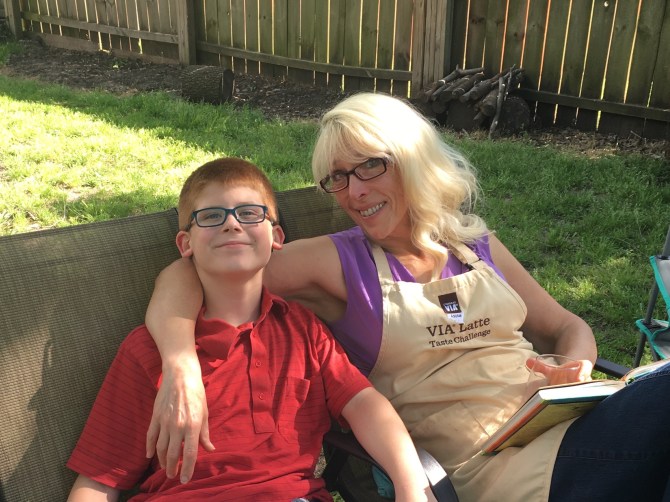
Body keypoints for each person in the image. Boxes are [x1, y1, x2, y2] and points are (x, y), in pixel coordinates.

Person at [144, 94, 670, 501]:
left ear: (414, 159)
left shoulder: (473, 243)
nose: (354, 192)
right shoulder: (337, 261)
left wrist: (575, 368)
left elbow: (565, 326)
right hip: (503, 468)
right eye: (338, 178)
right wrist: (180, 362)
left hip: (577, 425)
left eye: (370, 166)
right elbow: (192, 272)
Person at [66, 157, 436, 502]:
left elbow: (366, 407)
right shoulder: (148, 351)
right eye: (211, 216)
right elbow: (98, 481)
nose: (232, 224)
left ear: (276, 237)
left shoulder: (303, 331)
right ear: (186, 244)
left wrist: (412, 488)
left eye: (249, 213)